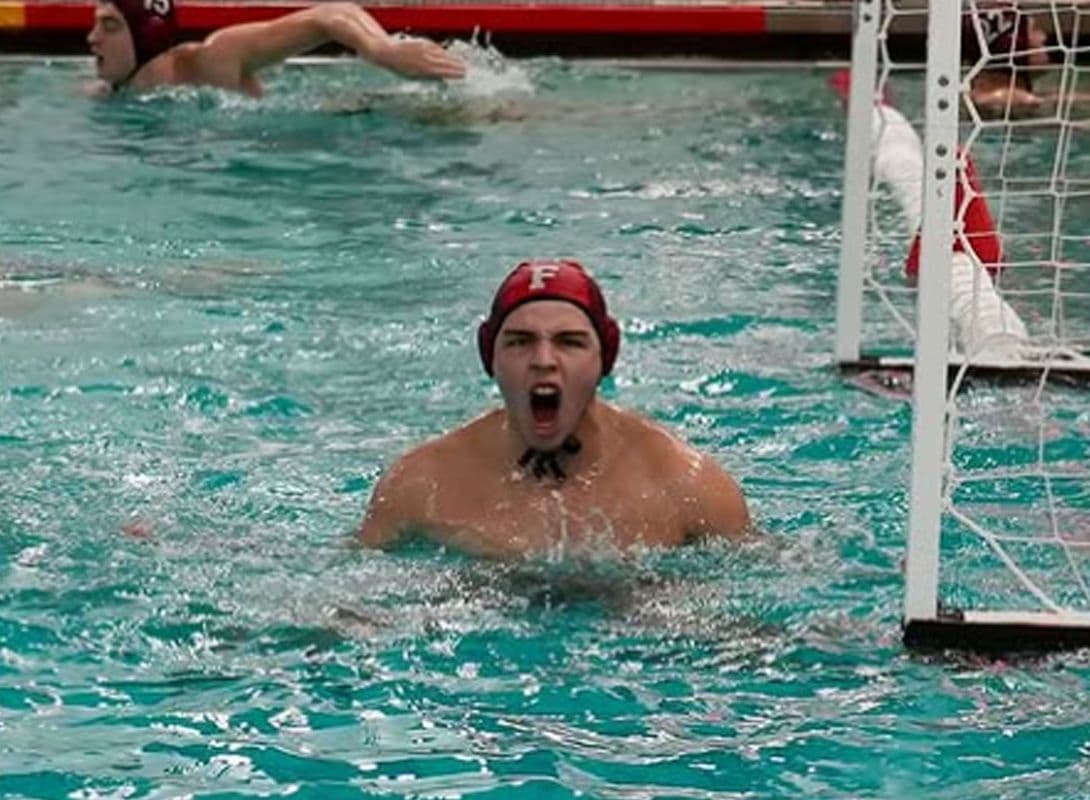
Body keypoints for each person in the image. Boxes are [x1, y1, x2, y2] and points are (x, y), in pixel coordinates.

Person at [358, 260, 751, 558]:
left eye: (570, 342)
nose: (543, 359)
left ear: (605, 359)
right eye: (519, 342)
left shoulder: (689, 487)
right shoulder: (420, 485)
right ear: (489, 357)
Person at [87, 0, 466, 97]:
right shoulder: (107, 94)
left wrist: (382, 50)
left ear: (146, 33)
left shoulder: (212, 58)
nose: (92, 39)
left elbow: (331, 14)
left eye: (109, 26)